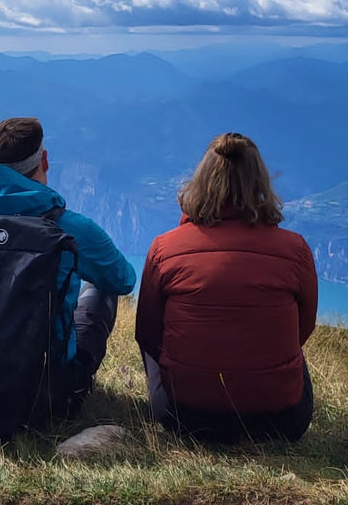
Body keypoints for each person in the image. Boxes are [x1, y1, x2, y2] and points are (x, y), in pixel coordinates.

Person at [0, 116, 137, 427]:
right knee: (101, 289)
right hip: (45, 397)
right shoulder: (69, 228)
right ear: (43, 160)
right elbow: (123, 280)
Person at [135, 132, 318, 442]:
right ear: (260, 182)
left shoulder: (164, 248)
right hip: (280, 422)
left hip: (186, 417)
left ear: (201, 181)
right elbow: (304, 327)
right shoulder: (295, 249)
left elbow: (148, 334)